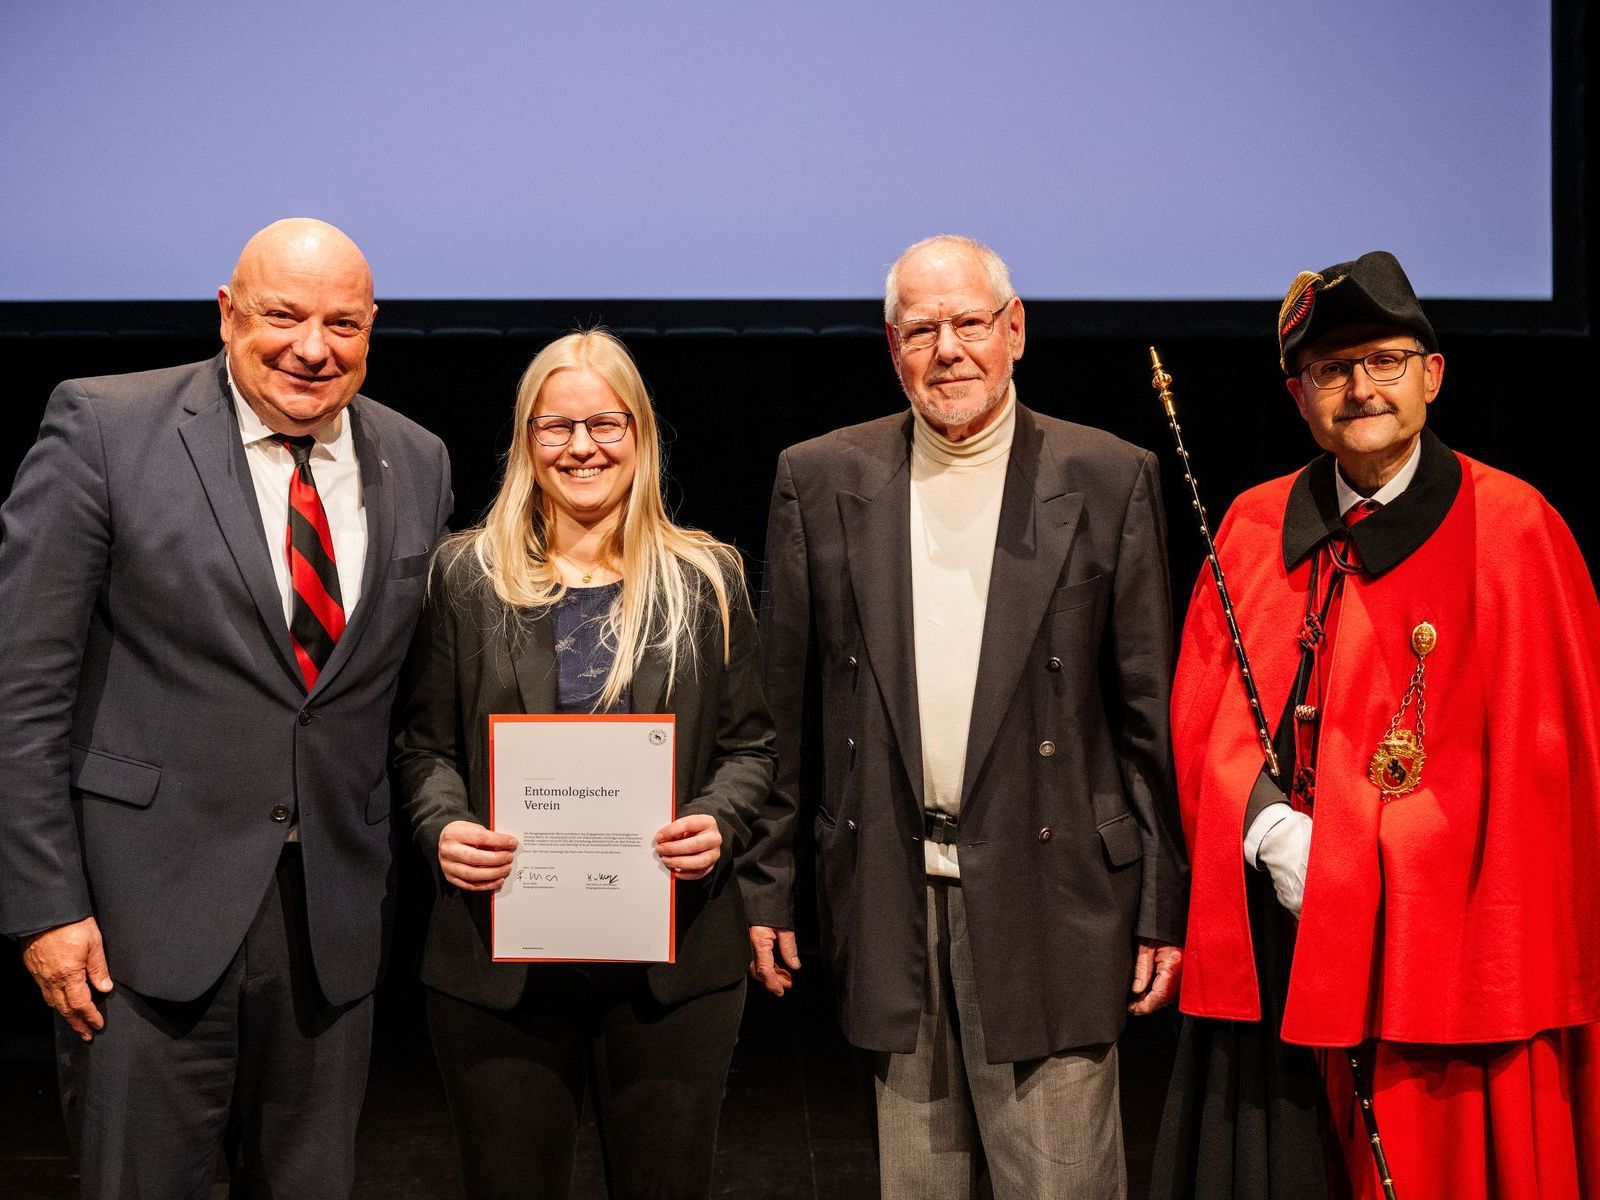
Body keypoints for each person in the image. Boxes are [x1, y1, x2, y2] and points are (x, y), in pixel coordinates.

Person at [0, 218, 453, 1198]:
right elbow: (22, 685)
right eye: (284, 315)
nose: (312, 347)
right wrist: (46, 905)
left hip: (328, 928)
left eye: (343, 323)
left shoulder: (417, 461)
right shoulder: (104, 427)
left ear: (372, 329)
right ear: (226, 313)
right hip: (136, 928)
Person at [740, 234, 1188, 1199]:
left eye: (970, 323)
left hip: (1058, 895)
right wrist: (766, 885)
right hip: (891, 890)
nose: (948, 349)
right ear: (891, 346)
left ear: (1014, 330)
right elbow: (779, 707)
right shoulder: (819, 479)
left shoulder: (1110, 475)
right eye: (921, 329)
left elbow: (1148, 713)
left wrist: (1161, 903)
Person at [1155, 250, 1600, 1197]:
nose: (1360, 389)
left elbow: (1545, 773)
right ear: (1298, 393)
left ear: (1432, 376)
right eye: (1331, 369)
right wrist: (1272, 829)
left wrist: (1374, 854)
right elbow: (1206, 719)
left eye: (1384, 361)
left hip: (1443, 958)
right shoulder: (1250, 523)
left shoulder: (1515, 529)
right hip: (1283, 952)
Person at [392, 329, 776, 1200]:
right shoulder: (465, 575)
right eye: (555, 426)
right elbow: (424, 747)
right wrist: (443, 827)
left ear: (639, 433)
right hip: (500, 967)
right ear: (527, 441)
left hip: (672, 970)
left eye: (604, 424)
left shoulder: (707, 577)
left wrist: (717, 822)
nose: (581, 447)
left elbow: (751, 747)